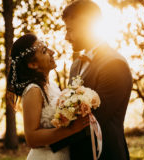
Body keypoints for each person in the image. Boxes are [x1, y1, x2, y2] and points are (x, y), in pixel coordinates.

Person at [50, 1, 133, 160]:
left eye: (70, 30)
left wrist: (46, 142)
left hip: (106, 154)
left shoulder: (114, 64)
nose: (67, 37)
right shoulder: (76, 65)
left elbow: (94, 119)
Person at [7, 33, 89, 160]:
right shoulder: (33, 90)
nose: (52, 52)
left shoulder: (52, 86)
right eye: (44, 51)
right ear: (33, 64)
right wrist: (72, 129)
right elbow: (32, 139)